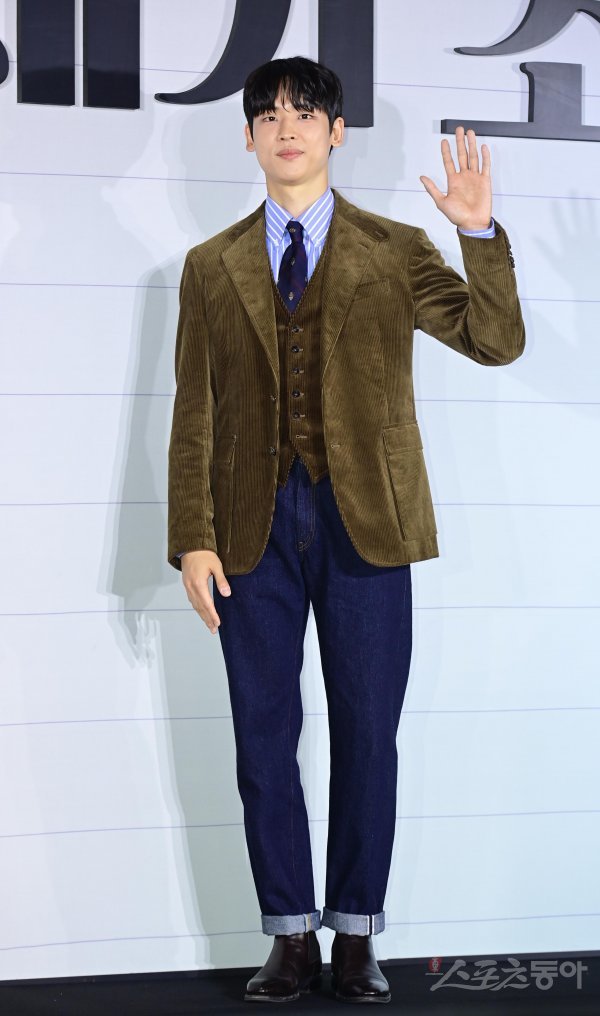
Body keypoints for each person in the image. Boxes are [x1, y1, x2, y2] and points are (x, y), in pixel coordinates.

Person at [167, 56, 525, 1005]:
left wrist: (477, 234)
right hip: (249, 529)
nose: (286, 128)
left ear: (335, 132)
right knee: (262, 736)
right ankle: (289, 934)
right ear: (248, 137)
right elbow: (194, 409)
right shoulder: (210, 266)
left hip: (368, 520)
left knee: (369, 733)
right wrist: (192, 535)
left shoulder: (395, 248)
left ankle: (357, 932)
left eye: (305, 113)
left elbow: (495, 341)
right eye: (269, 116)